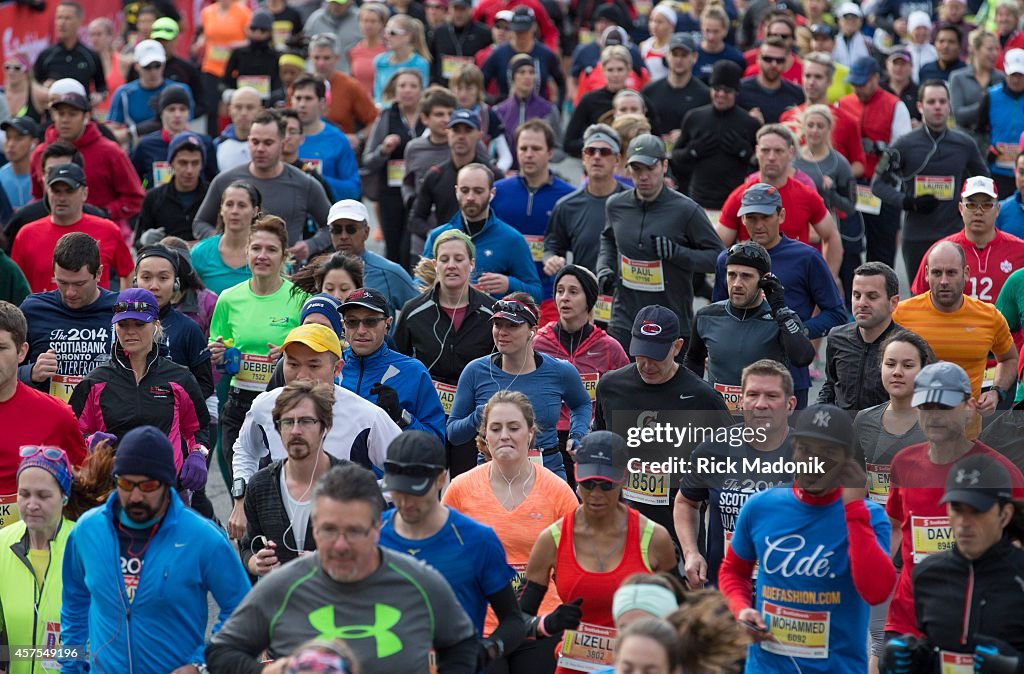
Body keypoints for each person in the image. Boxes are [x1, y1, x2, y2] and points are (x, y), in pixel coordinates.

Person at [207, 463, 480, 671]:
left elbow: (463, 644)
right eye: (327, 530)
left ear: (377, 528)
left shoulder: (420, 581)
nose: (340, 545)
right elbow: (221, 653)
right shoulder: (284, 586)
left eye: (353, 531)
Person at [718, 403, 897, 674]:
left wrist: (854, 511)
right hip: (766, 667)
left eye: (828, 453)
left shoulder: (869, 518)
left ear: (847, 461)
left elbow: (877, 592)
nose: (814, 461)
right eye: (806, 450)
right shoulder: (761, 506)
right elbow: (733, 571)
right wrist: (741, 609)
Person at [61, 426, 251, 674]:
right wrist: (71, 668)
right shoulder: (88, 530)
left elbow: (244, 609)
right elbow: (74, 605)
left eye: (148, 486)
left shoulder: (202, 537)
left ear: (167, 484)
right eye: (127, 484)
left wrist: (202, 663)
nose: (136, 495)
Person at [883, 361, 1024, 640]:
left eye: (945, 406)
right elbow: (896, 526)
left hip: (974, 627)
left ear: (970, 408)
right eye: (926, 407)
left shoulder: (1001, 473)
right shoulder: (903, 463)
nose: (935, 416)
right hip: (907, 622)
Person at [443, 390, 580, 671]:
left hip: (541, 622)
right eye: (496, 428)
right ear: (484, 435)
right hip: (481, 626)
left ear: (530, 433)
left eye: (514, 427)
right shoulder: (460, 488)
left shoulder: (558, 491)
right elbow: (444, 558)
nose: (504, 435)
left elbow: (574, 566)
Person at [521, 431, 677, 673]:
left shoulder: (654, 538)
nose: (595, 494)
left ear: (623, 478)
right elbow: (518, 621)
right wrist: (548, 625)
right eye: (587, 483)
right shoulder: (552, 539)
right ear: (575, 475)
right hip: (573, 667)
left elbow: (680, 618)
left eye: (606, 485)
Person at [228, 324, 401, 541]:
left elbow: (409, 471)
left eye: (313, 365)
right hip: (279, 531)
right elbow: (245, 449)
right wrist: (242, 498)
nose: (301, 375)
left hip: (342, 538)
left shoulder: (367, 416)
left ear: (337, 368)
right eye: (292, 364)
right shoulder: (265, 405)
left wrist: (362, 497)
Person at [379, 430, 526, 667]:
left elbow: (513, 621)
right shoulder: (372, 533)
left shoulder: (478, 540)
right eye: (398, 491)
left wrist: (487, 649)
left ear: (440, 479)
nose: (405, 502)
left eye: (415, 491)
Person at [594, 306, 732, 537]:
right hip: (622, 520)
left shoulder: (702, 397)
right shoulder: (610, 386)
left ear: (677, 347)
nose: (647, 365)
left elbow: (731, 456)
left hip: (679, 523)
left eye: (656, 356)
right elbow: (600, 437)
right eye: (641, 354)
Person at [712, 183, 847, 407]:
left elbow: (836, 313)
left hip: (789, 374)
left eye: (765, 217)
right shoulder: (727, 261)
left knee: (787, 441)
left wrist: (799, 331)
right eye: (751, 218)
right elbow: (717, 313)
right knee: (734, 441)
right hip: (734, 377)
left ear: (781, 215)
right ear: (742, 220)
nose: (758, 225)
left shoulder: (806, 258)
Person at [885, 453, 1024, 669]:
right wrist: (910, 660)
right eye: (957, 509)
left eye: (977, 511)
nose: (964, 523)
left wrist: (1016, 666)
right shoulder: (926, 575)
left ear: (1004, 515)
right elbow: (936, 649)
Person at [70, 288, 211, 498]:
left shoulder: (179, 377)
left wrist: (198, 454)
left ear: (155, 325)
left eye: (139, 324)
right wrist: (90, 442)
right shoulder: (95, 381)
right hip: (110, 491)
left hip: (167, 490)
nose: (130, 331)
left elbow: (197, 428)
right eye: (123, 325)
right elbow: (72, 433)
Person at [676, 359, 798, 588]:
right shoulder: (714, 448)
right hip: (725, 590)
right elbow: (686, 502)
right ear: (741, 402)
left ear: (790, 405)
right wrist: (691, 552)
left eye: (772, 396)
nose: (761, 404)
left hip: (786, 593)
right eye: (752, 395)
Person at [597, 134, 724, 352]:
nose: (643, 176)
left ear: (664, 166)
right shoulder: (616, 205)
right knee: (621, 383)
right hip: (624, 319)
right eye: (636, 169)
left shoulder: (687, 210)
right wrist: (604, 267)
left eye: (650, 168)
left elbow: (719, 259)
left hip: (671, 321)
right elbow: (608, 239)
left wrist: (679, 253)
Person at [448, 293, 591, 479]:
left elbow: (582, 403)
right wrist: (479, 416)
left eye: (512, 325)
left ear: (533, 330)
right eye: (497, 324)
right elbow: (453, 433)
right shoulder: (475, 371)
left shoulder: (560, 371)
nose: (502, 332)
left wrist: (577, 434)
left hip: (546, 474)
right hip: (493, 475)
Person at [209, 216, 308, 475]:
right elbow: (217, 345)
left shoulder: (300, 298)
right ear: (247, 252)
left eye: (271, 250)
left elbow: (313, 352)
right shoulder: (229, 298)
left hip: (285, 402)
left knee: (274, 489)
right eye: (256, 248)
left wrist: (289, 355)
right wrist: (218, 353)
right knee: (239, 485)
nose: (262, 256)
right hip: (239, 403)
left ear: (284, 255)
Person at [393, 231, 495, 474]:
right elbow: (398, 360)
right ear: (435, 263)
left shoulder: (491, 311)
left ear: (472, 264)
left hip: (473, 418)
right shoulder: (414, 311)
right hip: (427, 415)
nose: (451, 265)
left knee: (468, 488)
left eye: (459, 259)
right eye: (444, 259)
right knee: (425, 486)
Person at [872, 81, 991, 280]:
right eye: (931, 101)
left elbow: (985, 181)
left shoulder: (964, 144)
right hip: (917, 237)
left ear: (949, 106)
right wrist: (907, 202)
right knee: (919, 302)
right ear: (920, 106)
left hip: (955, 235)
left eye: (942, 101)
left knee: (953, 298)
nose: (937, 106)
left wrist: (966, 202)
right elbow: (877, 185)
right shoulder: (904, 144)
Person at [893, 241, 1017, 414]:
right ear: (926, 274)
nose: (944, 281)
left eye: (951, 273)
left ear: (966, 274)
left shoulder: (989, 316)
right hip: (911, 430)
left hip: (967, 432)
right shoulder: (900, 315)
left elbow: (1009, 359)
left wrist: (996, 392)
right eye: (937, 273)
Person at [194, 110, 332, 263]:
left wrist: (310, 245)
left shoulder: (305, 183)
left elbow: (331, 226)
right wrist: (222, 241)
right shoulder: (225, 181)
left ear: (283, 143)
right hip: (233, 271)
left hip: (285, 274)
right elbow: (200, 223)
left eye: (268, 143)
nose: (260, 149)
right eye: (255, 142)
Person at [241, 380, 348, 576]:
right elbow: (249, 545)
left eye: (306, 421)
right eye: (288, 422)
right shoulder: (260, 485)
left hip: (339, 601)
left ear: (326, 426)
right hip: (280, 603)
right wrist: (256, 562)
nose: (296, 430)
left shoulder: (354, 484)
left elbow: (377, 550)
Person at [687, 242, 815, 403]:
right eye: (732, 275)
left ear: (764, 280)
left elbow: (803, 358)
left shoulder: (781, 318)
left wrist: (780, 309)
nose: (737, 284)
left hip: (763, 418)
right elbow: (693, 359)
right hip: (720, 421)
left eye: (746, 276)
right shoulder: (707, 316)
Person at [533, 265, 629, 479]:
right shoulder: (538, 343)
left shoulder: (609, 348)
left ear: (590, 300)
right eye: (560, 291)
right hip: (547, 438)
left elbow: (627, 396)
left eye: (573, 292)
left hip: (591, 439)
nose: (564, 298)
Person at [0, 300, 86, 529]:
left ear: (22, 352)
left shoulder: (58, 416)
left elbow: (83, 490)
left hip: (34, 551)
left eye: (1, 348)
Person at [716, 125, 843, 276]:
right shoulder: (740, 196)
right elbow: (717, 244)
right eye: (765, 150)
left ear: (790, 153)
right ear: (757, 151)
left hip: (796, 284)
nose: (771, 157)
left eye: (778, 151)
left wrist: (828, 280)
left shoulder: (806, 195)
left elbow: (832, 236)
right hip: (752, 287)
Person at [0, 447, 83, 673]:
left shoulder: (85, 546)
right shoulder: (2, 544)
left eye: (44, 495)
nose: (31, 504)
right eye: (24, 494)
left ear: (64, 497)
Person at [28, 82, 145, 230]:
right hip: (52, 233)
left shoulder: (111, 152)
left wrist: (105, 212)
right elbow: (38, 197)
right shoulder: (39, 153)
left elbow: (135, 198)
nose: (65, 119)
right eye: (61, 113)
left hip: (101, 234)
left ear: (87, 116)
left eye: (72, 114)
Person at [17, 233, 118, 403]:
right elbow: (5, 367)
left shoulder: (120, 308)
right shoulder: (34, 309)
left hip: (105, 418)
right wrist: (31, 372)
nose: (70, 292)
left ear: (99, 273)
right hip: (49, 416)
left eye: (79, 284)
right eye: (62, 282)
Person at [492, 119, 575, 324]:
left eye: (536, 148)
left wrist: (560, 259)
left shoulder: (568, 197)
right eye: (523, 148)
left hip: (549, 296)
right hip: (503, 295)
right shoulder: (497, 191)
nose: (528, 154)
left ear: (550, 153)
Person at [422, 162, 541, 301]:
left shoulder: (512, 239)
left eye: (478, 191)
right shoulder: (438, 236)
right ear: (456, 191)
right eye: (465, 190)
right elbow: (419, 284)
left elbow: (537, 294)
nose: (470, 197)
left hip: (491, 320)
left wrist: (509, 284)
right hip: (444, 320)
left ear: (492, 193)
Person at [339, 288, 447, 441]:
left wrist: (400, 416)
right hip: (335, 465)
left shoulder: (414, 372)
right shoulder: (330, 366)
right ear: (343, 325)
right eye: (352, 322)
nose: (361, 330)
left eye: (370, 321)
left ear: (387, 324)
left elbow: (436, 442)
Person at [12, 163, 133, 294]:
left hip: (95, 313)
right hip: (44, 313)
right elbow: (14, 283)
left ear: (84, 193)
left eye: (69, 191)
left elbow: (128, 272)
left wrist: (122, 308)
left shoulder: (108, 230)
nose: (62, 198)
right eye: (56, 191)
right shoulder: (26, 235)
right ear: (47, 192)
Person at [839, 56, 913, 269]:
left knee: (881, 251)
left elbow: (904, 149)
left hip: (882, 187)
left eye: (862, 83)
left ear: (876, 78)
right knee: (848, 246)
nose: (858, 88)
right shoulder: (843, 104)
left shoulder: (894, 105)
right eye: (854, 84)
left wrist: (881, 148)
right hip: (851, 185)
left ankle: (881, 296)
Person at [909, 175, 1024, 305]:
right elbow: (916, 301)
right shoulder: (939, 252)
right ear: (961, 208)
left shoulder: (1020, 250)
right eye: (971, 205)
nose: (978, 212)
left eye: (986, 205)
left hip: (1003, 326)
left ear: (997, 209)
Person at [793, 103, 864, 301]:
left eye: (820, 126)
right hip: (796, 231)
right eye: (811, 125)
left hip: (825, 232)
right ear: (803, 127)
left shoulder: (838, 162)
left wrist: (831, 192)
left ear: (829, 129)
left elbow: (850, 206)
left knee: (826, 283)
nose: (815, 131)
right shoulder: (792, 159)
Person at [409, 110, 504, 254]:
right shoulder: (435, 175)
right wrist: (435, 236)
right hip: (446, 254)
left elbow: (505, 217)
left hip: (487, 251)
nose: (461, 136)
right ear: (448, 133)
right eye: (456, 130)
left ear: (479, 134)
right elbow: (416, 219)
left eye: (467, 130)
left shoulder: (493, 175)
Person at [672, 60, 761, 210]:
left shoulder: (749, 123)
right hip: (698, 201)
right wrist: (692, 152)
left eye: (727, 90)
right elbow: (675, 157)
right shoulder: (694, 117)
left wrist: (746, 154)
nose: (720, 94)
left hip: (735, 203)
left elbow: (761, 164)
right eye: (716, 89)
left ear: (736, 92)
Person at [362, 70, 427, 268]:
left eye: (413, 86)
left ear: (421, 90)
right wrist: (384, 149)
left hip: (421, 192)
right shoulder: (387, 116)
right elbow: (368, 160)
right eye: (402, 86)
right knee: (393, 249)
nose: (407, 91)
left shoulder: (428, 117)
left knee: (413, 248)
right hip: (391, 192)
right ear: (395, 90)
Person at [133, 245, 215, 399]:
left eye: (163, 278)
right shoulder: (118, 325)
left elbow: (205, 386)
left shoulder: (189, 328)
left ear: (176, 283)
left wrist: (174, 406)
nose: (154, 286)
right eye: (146, 278)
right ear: (135, 280)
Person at [820, 262, 904, 410]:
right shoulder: (837, 337)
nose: (862, 303)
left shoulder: (908, 346)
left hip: (886, 430)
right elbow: (831, 385)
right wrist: (817, 414)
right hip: (843, 429)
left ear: (893, 303)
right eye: (856, 295)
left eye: (872, 296)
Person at [545, 125, 627, 274]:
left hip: (626, 294)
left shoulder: (633, 201)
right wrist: (552, 259)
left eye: (604, 152)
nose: (596, 156)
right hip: (587, 293)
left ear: (617, 159)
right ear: (583, 158)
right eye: (590, 151)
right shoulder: (566, 206)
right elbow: (552, 247)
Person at [780, 52, 866, 179]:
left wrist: (835, 177)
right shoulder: (787, 118)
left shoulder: (848, 121)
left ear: (830, 81)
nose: (811, 82)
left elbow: (859, 164)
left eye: (818, 77)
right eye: (807, 76)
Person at [327, 200, 418, 321]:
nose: (343, 236)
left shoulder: (390, 272)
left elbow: (422, 312)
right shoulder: (320, 272)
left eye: (351, 229)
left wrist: (399, 339)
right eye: (337, 229)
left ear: (366, 232)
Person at [566, 45, 649, 157]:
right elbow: (569, 143)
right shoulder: (589, 101)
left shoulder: (639, 100)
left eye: (620, 69)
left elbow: (654, 140)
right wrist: (598, 146)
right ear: (602, 70)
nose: (615, 75)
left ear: (629, 70)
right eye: (610, 70)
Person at [107, 40, 195, 145]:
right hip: (137, 154)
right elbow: (110, 135)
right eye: (147, 67)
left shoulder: (180, 90)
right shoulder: (124, 94)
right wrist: (136, 131)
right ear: (137, 66)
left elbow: (186, 126)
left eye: (157, 65)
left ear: (164, 64)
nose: (153, 72)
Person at [291, 74, 361, 202]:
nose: (302, 104)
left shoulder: (338, 140)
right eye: (298, 98)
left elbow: (354, 189)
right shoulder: (280, 136)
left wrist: (318, 179)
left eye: (308, 98)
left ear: (322, 103)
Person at [131, 87, 217, 188]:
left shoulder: (204, 143)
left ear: (189, 113)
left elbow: (213, 181)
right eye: (171, 109)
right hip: (158, 202)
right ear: (161, 113)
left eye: (183, 109)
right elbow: (135, 181)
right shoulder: (146, 145)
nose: (177, 115)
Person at [306, 33, 378, 151]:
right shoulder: (300, 86)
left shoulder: (350, 86)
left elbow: (375, 121)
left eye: (326, 58)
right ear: (310, 57)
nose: (321, 63)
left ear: (337, 58)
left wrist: (358, 138)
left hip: (339, 149)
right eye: (316, 58)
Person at [136, 133, 211, 245]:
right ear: (171, 164)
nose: (189, 170)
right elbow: (137, 242)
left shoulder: (212, 195)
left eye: (195, 163)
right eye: (183, 163)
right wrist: (144, 240)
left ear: (202, 165)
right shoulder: (153, 198)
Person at [481, 6, 565, 103]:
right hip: (507, 113)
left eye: (525, 31)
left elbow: (561, 83)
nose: (521, 35)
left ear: (534, 27)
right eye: (518, 31)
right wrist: (495, 102)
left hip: (538, 114)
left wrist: (555, 108)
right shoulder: (499, 54)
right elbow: (480, 84)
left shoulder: (545, 54)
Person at [493, 53, 564, 167]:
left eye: (531, 72)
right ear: (512, 76)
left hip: (539, 175)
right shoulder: (499, 111)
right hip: (509, 174)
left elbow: (559, 148)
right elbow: (492, 151)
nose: (527, 76)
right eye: (522, 72)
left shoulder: (548, 110)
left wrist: (543, 157)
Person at [190, 180, 258, 294]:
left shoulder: (265, 254)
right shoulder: (200, 252)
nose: (234, 211)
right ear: (221, 209)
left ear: (255, 211)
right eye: (229, 204)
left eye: (242, 205)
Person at [642, 33, 709, 142]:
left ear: (694, 57)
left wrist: (685, 135)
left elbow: (707, 129)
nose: (679, 60)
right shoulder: (649, 92)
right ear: (667, 55)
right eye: (675, 54)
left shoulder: (704, 95)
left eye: (684, 55)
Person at [32, 1, 106, 100]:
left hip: (81, 112)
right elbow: (33, 85)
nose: (62, 23)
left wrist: (98, 97)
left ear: (79, 20)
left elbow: (102, 88)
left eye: (67, 18)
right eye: (59, 18)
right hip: (52, 113)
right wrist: (44, 89)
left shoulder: (90, 56)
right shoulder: (46, 55)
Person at [978, 48, 1024, 198]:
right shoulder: (991, 96)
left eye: (1020, 75)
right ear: (1005, 71)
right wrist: (987, 149)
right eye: (1013, 75)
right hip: (998, 170)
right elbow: (978, 130)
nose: (1016, 80)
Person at [950, 30, 1004, 157]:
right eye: (990, 49)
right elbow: (958, 115)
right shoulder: (958, 77)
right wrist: (984, 104)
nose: (995, 54)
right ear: (975, 50)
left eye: (997, 49)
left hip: (994, 148)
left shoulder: (1002, 79)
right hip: (964, 144)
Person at [737, 36, 805, 124]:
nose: (774, 64)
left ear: (786, 63)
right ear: (758, 59)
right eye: (768, 59)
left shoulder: (798, 94)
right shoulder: (740, 90)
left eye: (779, 60)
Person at [429, 0, 492, 88]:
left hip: (471, 87)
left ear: (471, 10)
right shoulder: (439, 32)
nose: (458, 14)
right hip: (444, 86)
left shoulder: (483, 33)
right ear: (450, 10)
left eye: (462, 10)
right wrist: (433, 81)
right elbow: (431, 58)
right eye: (455, 9)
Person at [222, 10, 283, 99]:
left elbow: (278, 82)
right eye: (254, 29)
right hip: (242, 101)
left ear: (270, 32)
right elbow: (225, 79)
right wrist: (231, 93)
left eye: (262, 30)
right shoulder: (239, 53)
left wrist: (274, 96)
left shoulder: (275, 56)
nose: (257, 33)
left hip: (267, 103)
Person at [373, 14, 431, 104]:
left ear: (407, 36)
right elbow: (378, 95)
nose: (386, 36)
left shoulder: (420, 63)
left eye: (392, 33)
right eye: (386, 32)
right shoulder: (380, 61)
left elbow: (420, 96)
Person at [304, 0, 362, 74]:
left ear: (350, 1)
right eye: (333, 2)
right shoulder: (315, 19)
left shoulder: (361, 19)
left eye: (339, 3)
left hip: (349, 74)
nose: (335, 6)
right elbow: (305, 45)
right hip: (319, 76)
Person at [216, 87, 261, 172]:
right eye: (238, 107)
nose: (244, 113)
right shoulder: (217, 145)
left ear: (260, 110)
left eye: (250, 107)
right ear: (229, 110)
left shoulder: (270, 145)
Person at [0, 117, 39, 210]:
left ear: (34, 142)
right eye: (8, 138)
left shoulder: (42, 177)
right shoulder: (1, 176)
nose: (10, 144)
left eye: (18, 138)